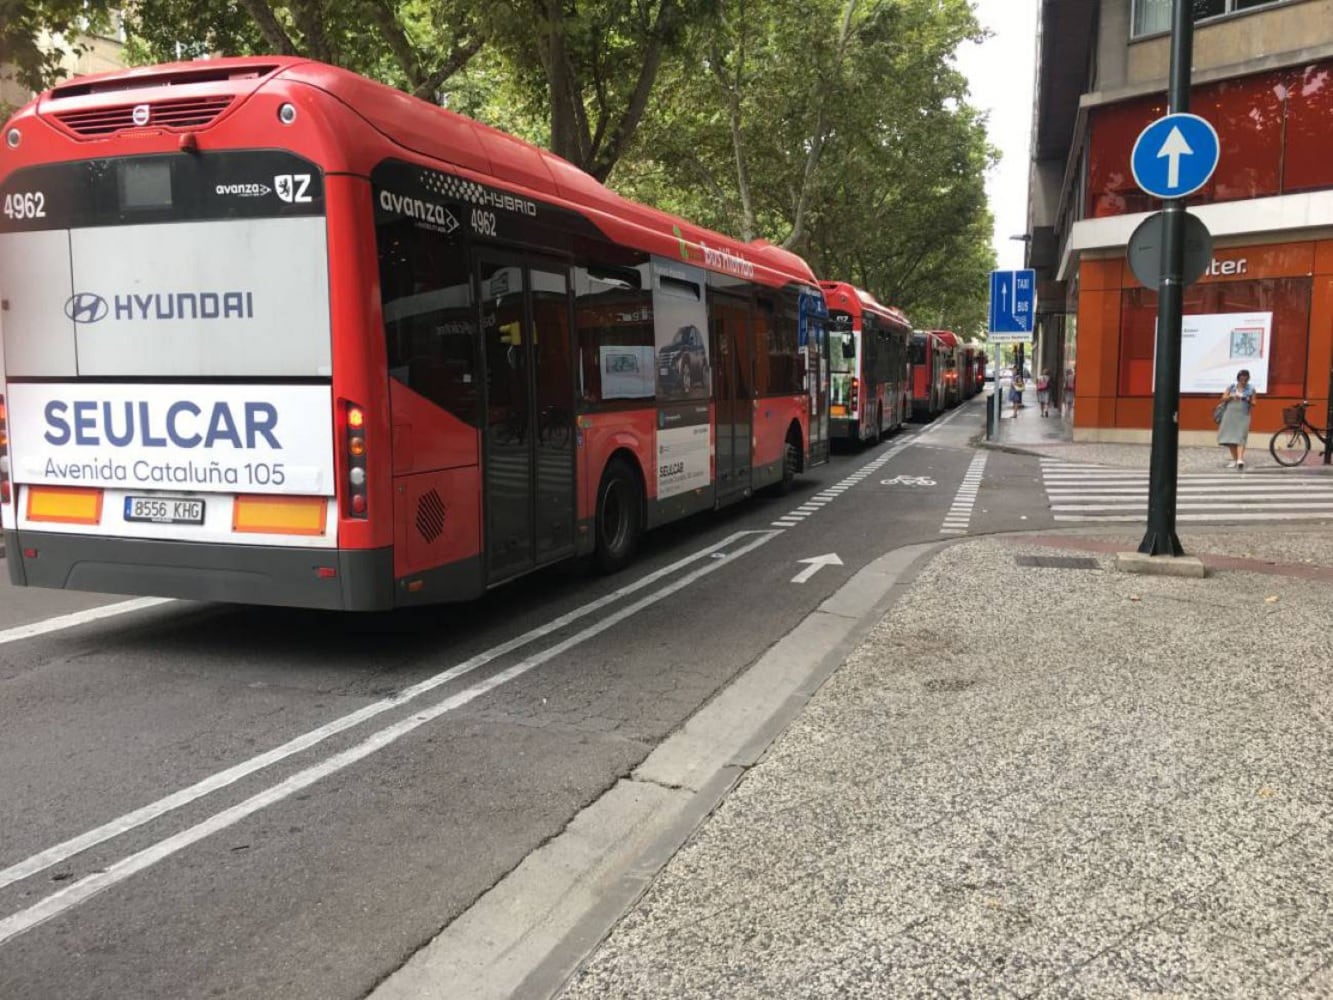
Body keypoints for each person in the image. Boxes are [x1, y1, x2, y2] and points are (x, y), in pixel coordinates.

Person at [1217, 368, 1256, 470]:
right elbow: (1223, 398)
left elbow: (1254, 403)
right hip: (1230, 414)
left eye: (1245, 380)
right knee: (1230, 438)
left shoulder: (1251, 389)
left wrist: (1247, 399)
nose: (1243, 382)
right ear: (1238, 378)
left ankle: (1240, 459)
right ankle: (1235, 459)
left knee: (1241, 437)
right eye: (1241, 379)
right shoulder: (1231, 387)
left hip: (1243, 415)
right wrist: (1231, 396)